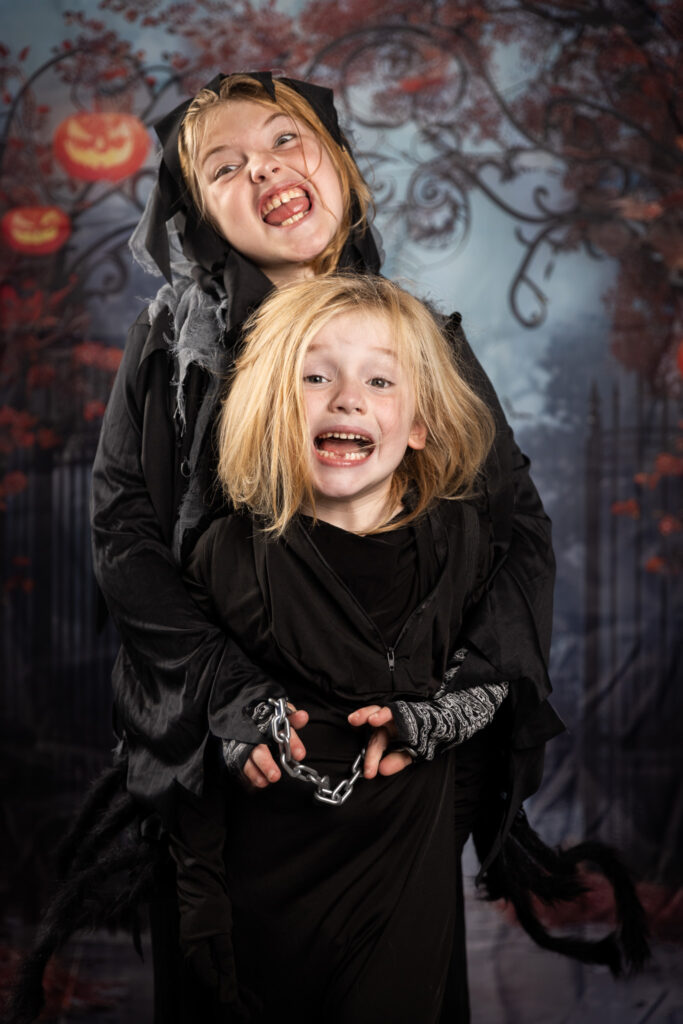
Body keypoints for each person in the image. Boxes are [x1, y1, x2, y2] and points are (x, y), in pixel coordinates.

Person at [6, 72, 646, 1024]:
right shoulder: (169, 349)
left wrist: (463, 696)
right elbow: (124, 536)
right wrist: (227, 694)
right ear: (200, 216)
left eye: (282, 141)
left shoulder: (420, 342)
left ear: (337, 164)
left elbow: (511, 531)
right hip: (236, 772)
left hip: (398, 775)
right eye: (225, 167)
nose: (263, 169)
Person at [172, 272, 559, 1023]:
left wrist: (438, 719)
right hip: (264, 886)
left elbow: (499, 673)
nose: (346, 398)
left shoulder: (461, 544)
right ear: (272, 409)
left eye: (379, 380)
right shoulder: (228, 555)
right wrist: (201, 899)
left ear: (418, 425)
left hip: (402, 879)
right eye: (315, 377)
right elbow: (180, 714)